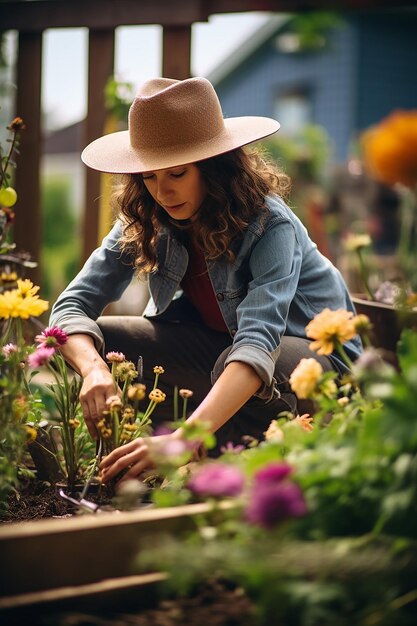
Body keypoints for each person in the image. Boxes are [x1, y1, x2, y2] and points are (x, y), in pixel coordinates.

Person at [50, 76, 362, 485]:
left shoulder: (269, 224)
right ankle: (142, 466)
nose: (161, 192)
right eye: (148, 176)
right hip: (225, 355)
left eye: (177, 173)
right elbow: (69, 309)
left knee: (236, 362)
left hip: (318, 366)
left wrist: (184, 439)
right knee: (105, 341)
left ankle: (222, 462)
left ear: (214, 167)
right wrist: (93, 371)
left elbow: (256, 347)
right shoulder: (146, 217)